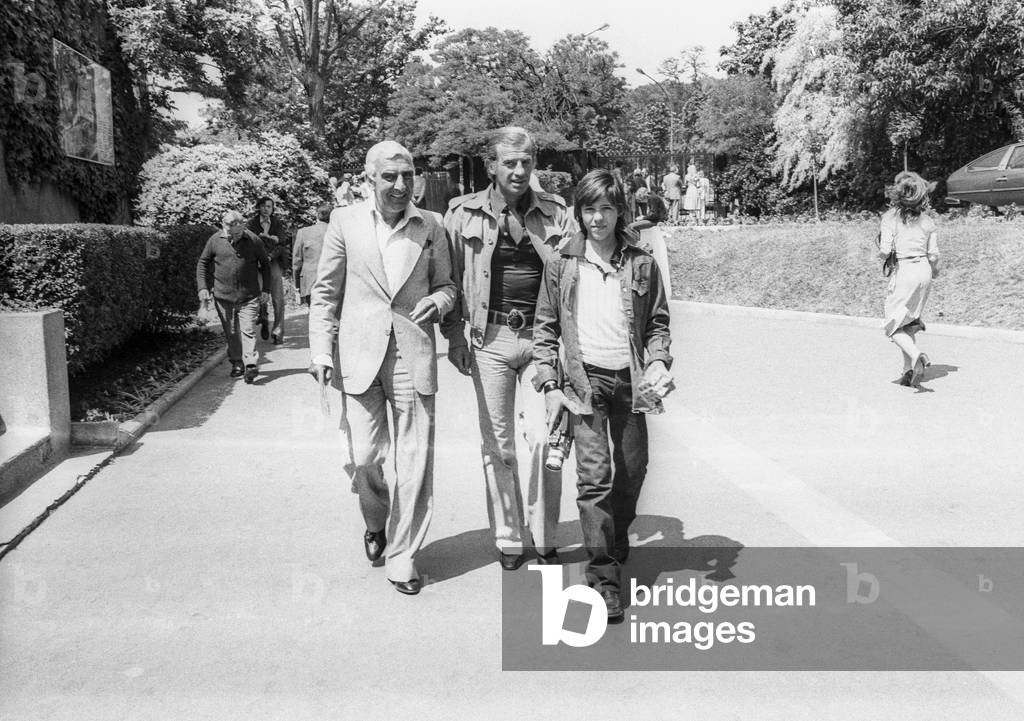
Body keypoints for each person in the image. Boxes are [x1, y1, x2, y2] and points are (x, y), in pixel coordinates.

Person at [308, 140, 457, 596]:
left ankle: (403, 556)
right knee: (363, 457)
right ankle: (377, 521)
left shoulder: (431, 225)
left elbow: (449, 286)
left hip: (412, 355)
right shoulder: (344, 222)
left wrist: (439, 299)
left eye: (407, 175)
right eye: (389, 176)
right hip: (358, 357)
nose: (399, 185)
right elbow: (326, 292)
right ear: (369, 178)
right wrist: (320, 351)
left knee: (415, 460)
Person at [533, 168, 674, 622]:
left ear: (620, 211)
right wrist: (549, 383)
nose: (598, 218)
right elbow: (546, 326)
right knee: (594, 479)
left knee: (633, 470)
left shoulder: (641, 261)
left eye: (607, 208)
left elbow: (657, 323)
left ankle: (614, 538)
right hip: (583, 382)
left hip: (632, 382)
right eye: (590, 209)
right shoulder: (561, 262)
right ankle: (603, 578)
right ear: (579, 212)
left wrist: (658, 360)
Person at [441, 126, 577, 570]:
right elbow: (450, 279)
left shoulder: (556, 214)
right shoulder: (461, 215)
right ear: (491, 166)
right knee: (499, 445)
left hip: (542, 341)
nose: (519, 171)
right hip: (489, 339)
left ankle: (544, 535)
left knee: (543, 439)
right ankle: (509, 537)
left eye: (526, 162)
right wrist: (454, 335)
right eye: (510, 163)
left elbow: (577, 277)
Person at [878, 171, 940, 386]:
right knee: (908, 323)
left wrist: (881, 252)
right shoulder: (928, 221)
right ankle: (907, 371)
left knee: (892, 325)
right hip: (924, 270)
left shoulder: (890, 218)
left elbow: (885, 251)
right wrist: (934, 271)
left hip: (905, 271)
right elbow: (933, 254)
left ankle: (916, 355)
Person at [197, 210, 272, 383]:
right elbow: (202, 263)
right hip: (223, 297)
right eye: (232, 234)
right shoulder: (215, 240)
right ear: (224, 227)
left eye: (239, 233)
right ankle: (237, 363)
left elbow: (266, 266)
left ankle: (250, 364)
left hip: (249, 296)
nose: (235, 237)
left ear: (243, 226)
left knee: (248, 330)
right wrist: (202, 287)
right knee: (231, 332)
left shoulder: (253, 240)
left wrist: (266, 290)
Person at [247, 197, 290, 345]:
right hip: (257, 264)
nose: (266, 209)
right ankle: (263, 316)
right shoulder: (252, 223)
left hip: (273, 262)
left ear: (272, 209)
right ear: (258, 207)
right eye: (264, 206)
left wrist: (271, 255)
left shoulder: (277, 223)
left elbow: (283, 243)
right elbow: (249, 242)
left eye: (269, 207)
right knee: (259, 296)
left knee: (278, 299)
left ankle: (278, 333)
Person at [292, 202, 332, 306]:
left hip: (310, 282)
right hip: (333, 282)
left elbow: (297, 262)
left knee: (315, 316)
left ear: (316, 215)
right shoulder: (337, 232)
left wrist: (297, 286)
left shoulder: (303, 233)